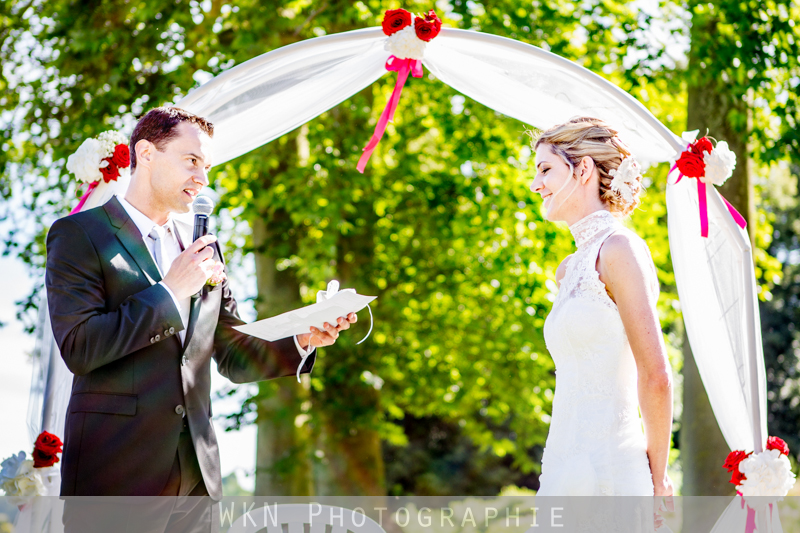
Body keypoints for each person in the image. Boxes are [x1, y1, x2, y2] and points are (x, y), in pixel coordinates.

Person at [45, 107, 356, 529]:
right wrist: (172, 290)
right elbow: (81, 348)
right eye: (192, 161)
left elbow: (231, 355)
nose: (202, 178)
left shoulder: (204, 248)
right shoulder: (80, 235)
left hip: (196, 478)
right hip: (115, 472)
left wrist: (303, 340)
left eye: (206, 166)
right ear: (147, 153)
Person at [529, 118, 674, 504]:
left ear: (584, 169)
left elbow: (656, 376)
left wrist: (658, 481)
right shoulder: (567, 269)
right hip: (561, 469)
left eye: (546, 169)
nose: (536, 184)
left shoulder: (620, 250)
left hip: (613, 475)